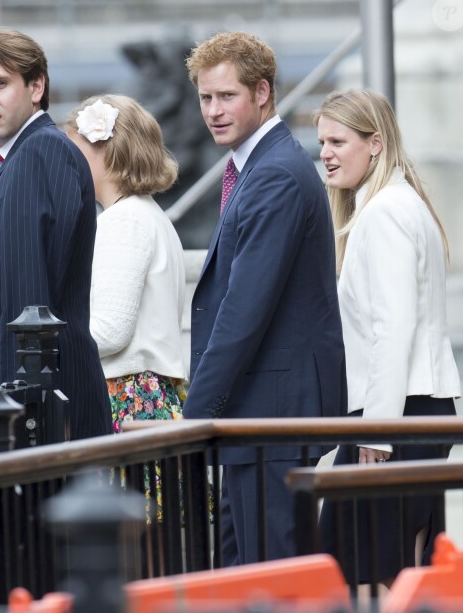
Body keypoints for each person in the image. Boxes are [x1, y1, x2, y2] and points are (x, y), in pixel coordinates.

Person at [182, 31, 347, 566]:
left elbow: (242, 312)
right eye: (205, 98)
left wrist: (194, 418)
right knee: (243, 572)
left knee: (269, 577)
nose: (213, 111)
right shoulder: (259, 167)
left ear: (262, 93)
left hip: (272, 415)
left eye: (226, 96)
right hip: (261, 413)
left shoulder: (274, 172)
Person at [315, 88, 461, 585]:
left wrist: (375, 432)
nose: (326, 154)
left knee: (370, 567)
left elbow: (392, 329)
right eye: (322, 142)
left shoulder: (384, 213)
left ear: (375, 143)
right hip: (409, 412)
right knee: (398, 570)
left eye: (338, 141)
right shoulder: (400, 205)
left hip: (398, 416)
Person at [0, 28, 112, 440]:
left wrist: (16, 410)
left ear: (37, 86)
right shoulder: (22, 156)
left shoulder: (40, 151)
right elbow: (7, 277)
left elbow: (28, 306)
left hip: (18, 406)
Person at [64, 94, 187, 432]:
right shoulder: (148, 215)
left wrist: (48, 341)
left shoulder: (123, 220)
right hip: (149, 398)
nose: (68, 163)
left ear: (105, 150)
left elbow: (111, 330)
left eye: (74, 152)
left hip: (127, 400)